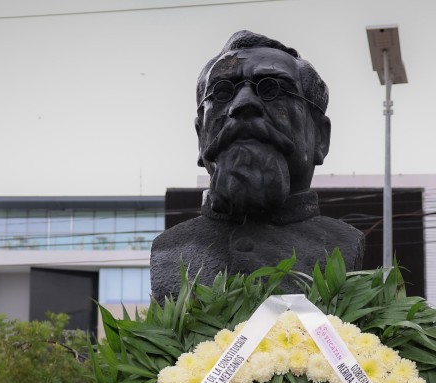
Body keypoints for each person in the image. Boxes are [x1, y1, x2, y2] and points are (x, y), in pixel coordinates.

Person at [150, 30, 365, 302]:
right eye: (222, 92)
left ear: (320, 138)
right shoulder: (169, 250)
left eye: (272, 89)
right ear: (200, 137)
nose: (243, 104)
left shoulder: (342, 244)